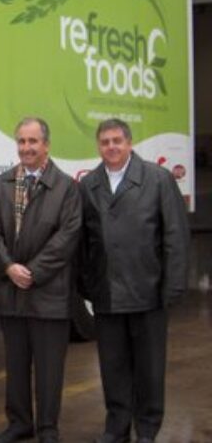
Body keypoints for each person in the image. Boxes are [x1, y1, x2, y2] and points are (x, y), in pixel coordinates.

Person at [78, 118, 189, 443]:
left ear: (129, 143)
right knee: (113, 367)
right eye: (105, 142)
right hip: (107, 295)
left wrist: (173, 285)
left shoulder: (158, 179)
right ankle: (116, 428)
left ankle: (148, 430)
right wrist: (88, 285)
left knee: (149, 369)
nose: (111, 147)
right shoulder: (89, 184)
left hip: (148, 292)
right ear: (98, 146)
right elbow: (82, 242)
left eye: (117, 141)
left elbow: (175, 235)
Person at [0, 117, 82, 443]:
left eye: (33, 141)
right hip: (11, 291)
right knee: (16, 365)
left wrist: (33, 272)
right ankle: (19, 423)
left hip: (48, 292)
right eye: (21, 141)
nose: (26, 148)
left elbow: (67, 237)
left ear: (46, 145)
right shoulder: (3, 183)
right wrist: (9, 267)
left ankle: (48, 428)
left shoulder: (65, 187)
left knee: (49, 368)